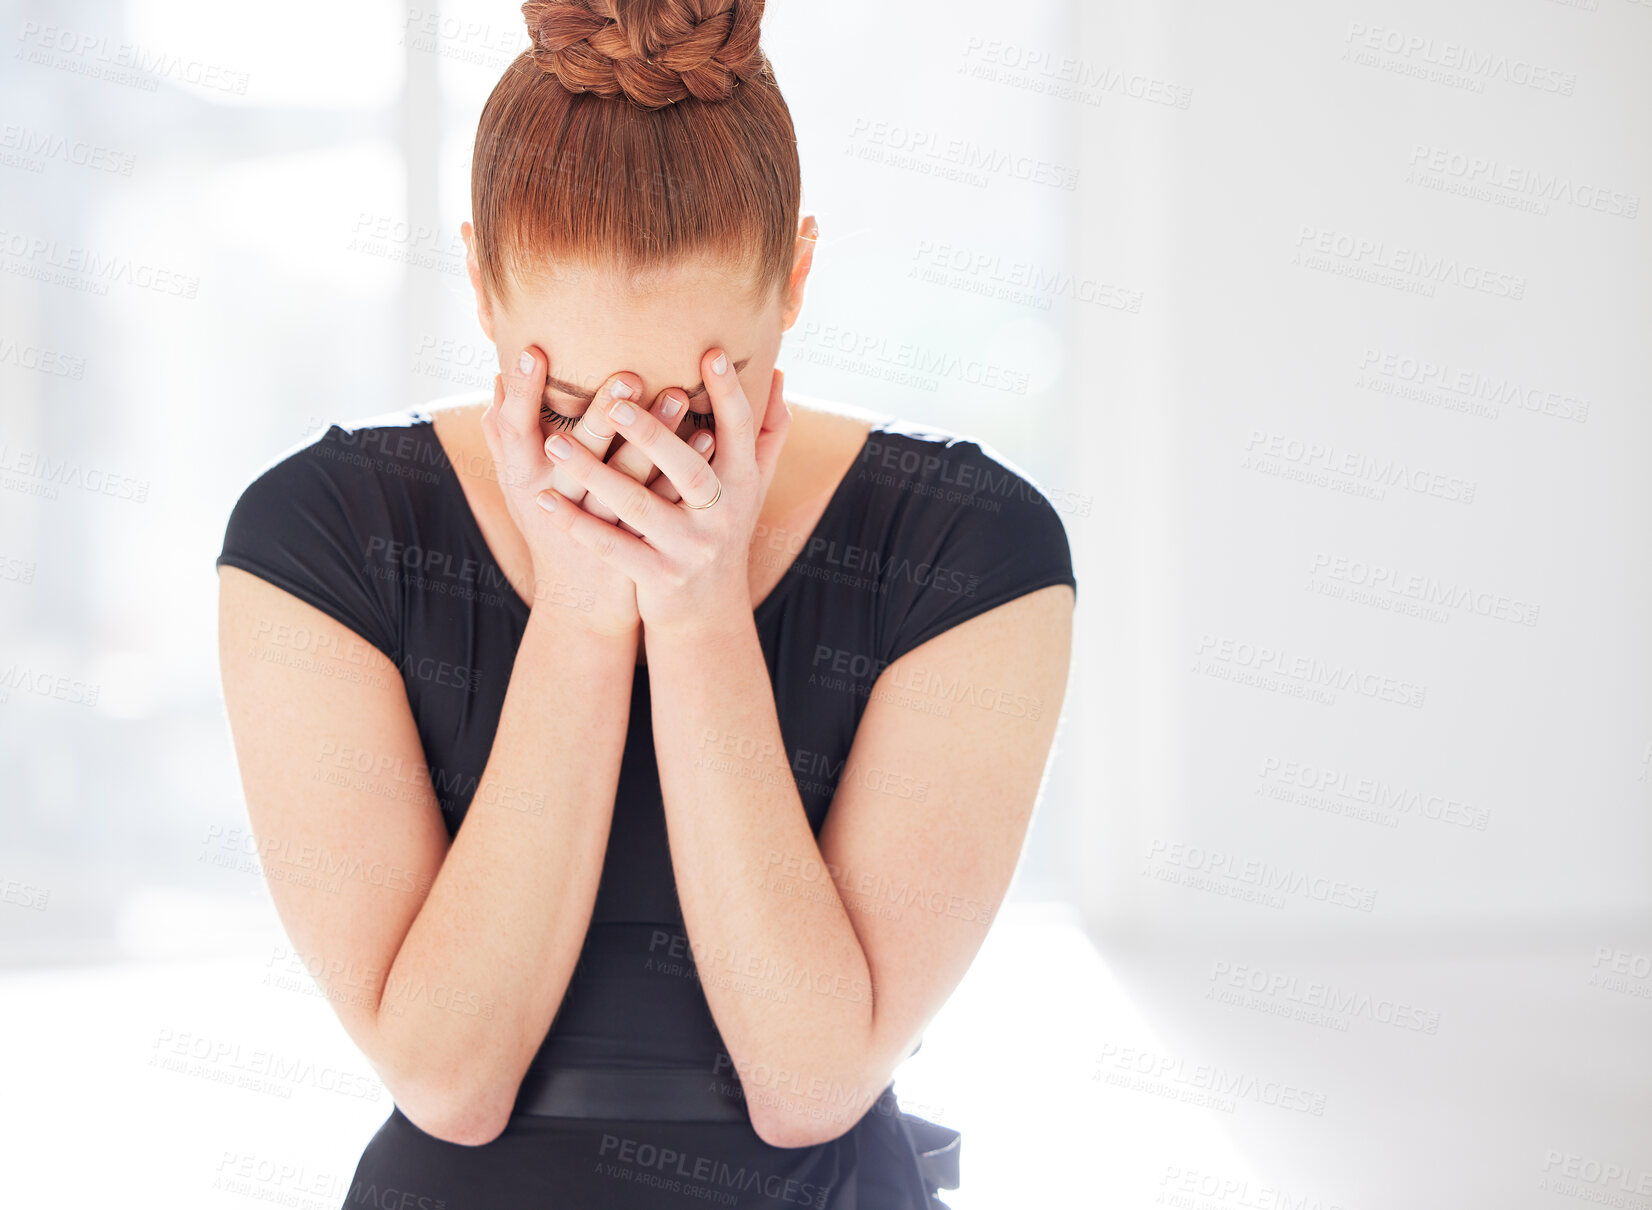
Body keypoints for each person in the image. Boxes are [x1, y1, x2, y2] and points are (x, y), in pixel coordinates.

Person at [214, 1, 1078, 1205]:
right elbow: (450, 1081)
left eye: (698, 409)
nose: (633, 462)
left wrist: (697, 614)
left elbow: (808, 1082)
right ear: (477, 283)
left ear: (796, 279)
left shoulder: (971, 547)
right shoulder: (319, 540)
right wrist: (577, 613)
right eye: (569, 405)